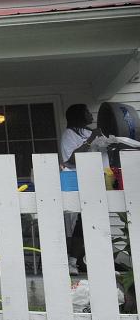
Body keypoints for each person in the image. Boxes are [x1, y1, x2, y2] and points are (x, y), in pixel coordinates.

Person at [60, 104, 105, 273]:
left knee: (96, 222)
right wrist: (92, 138)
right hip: (81, 182)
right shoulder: (70, 134)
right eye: (86, 111)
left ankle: (90, 259)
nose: (89, 113)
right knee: (82, 222)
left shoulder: (90, 131)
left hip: (100, 180)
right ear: (78, 115)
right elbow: (71, 159)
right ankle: (73, 260)